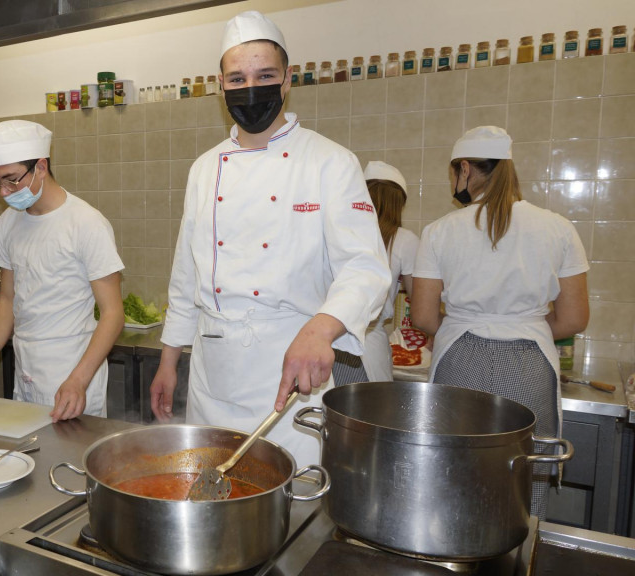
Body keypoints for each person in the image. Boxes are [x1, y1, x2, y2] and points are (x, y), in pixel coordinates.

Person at [149, 11, 390, 468]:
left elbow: (366, 267)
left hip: (293, 373)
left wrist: (321, 329)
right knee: (209, 491)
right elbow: (186, 275)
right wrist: (168, 360)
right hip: (212, 375)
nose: (250, 87)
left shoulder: (329, 162)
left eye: (264, 75)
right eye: (237, 77)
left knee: (294, 504)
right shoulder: (204, 169)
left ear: (287, 81)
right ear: (220, 84)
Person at [411, 125, 589, 519]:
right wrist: (526, 329)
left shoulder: (439, 231)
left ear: (464, 169)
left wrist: (465, 331)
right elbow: (574, 318)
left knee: (454, 470)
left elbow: (423, 316)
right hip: (530, 366)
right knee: (523, 475)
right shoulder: (558, 228)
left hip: (459, 362)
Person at [0, 120, 125, 422]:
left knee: (69, 463)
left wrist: (78, 380)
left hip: (73, 372)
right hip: (26, 370)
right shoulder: (8, 223)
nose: (4, 192)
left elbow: (113, 313)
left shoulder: (85, 223)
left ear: (41, 167)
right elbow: (7, 300)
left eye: (12, 180)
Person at [332, 161, 420, 384]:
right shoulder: (404, 240)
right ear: (397, 203)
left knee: (330, 412)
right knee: (371, 414)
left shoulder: (340, 231)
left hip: (329, 339)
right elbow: (419, 302)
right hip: (369, 345)